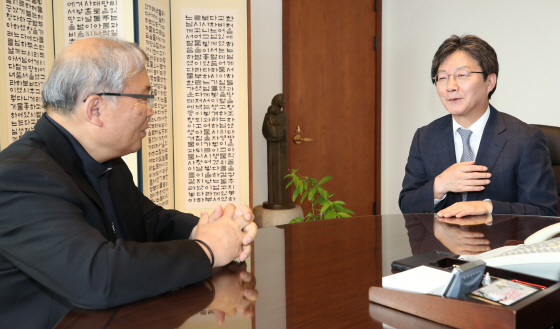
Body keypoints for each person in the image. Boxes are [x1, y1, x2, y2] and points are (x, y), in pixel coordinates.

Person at [0, 37, 257, 329]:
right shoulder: (20, 177)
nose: (151, 110)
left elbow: (150, 223)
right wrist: (206, 250)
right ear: (95, 109)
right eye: (143, 98)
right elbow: (96, 278)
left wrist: (210, 230)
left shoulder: (106, 161)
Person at [399, 34, 557, 218]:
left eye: (462, 75)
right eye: (442, 77)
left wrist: (488, 208)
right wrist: (439, 185)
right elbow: (407, 205)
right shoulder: (425, 137)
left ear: (490, 82)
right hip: (441, 245)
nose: (450, 86)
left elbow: (544, 213)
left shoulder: (525, 139)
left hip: (501, 245)